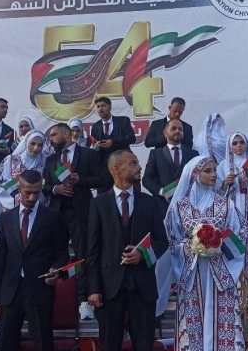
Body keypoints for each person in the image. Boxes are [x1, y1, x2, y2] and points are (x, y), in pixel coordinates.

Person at [86, 150, 167, 351]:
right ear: (116, 168)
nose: (139, 167)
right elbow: (93, 250)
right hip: (109, 289)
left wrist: (143, 254)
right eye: (132, 163)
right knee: (110, 344)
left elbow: (162, 241)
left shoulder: (149, 202)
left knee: (144, 343)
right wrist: (94, 288)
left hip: (143, 287)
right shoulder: (98, 204)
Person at [163, 156, 246, 350]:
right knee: (193, 319)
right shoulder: (180, 207)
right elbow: (171, 239)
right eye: (208, 171)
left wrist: (217, 244)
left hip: (220, 272)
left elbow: (239, 234)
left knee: (223, 318)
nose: (214, 174)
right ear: (194, 174)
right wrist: (193, 245)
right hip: (192, 273)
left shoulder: (225, 204)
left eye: (215, 170)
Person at [0, 170, 69, 351]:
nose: (32, 197)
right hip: (11, 292)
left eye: (36, 192)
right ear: (19, 189)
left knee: (43, 343)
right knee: (7, 344)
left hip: (40, 289)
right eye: (28, 192)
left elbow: (62, 253)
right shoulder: (6, 218)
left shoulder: (53, 218)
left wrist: (56, 269)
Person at [43, 123, 102, 319]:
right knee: (55, 255)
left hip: (81, 213)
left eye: (53, 134)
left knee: (82, 255)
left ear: (66, 134)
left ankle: (84, 300)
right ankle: (56, 299)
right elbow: (45, 186)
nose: (50, 139)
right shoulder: (51, 159)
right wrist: (56, 189)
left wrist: (81, 180)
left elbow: (101, 179)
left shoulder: (87, 154)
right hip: (57, 214)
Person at [217, 132, 248, 318]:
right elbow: (216, 195)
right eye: (235, 143)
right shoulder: (222, 166)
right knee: (233, 256)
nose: (238, 146)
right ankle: (235, 304)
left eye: (241, 143)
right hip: (231, 218)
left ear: (247, 144)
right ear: (230, 147)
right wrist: (225, 184)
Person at [143, 119, 198, 204]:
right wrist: (162, 192)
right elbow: (146, 179)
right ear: (165, 133)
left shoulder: (193, 154)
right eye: (173, 128)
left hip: (188, 204)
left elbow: (198, 178)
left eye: (180, 129)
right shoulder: (156, 154)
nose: (177, 131)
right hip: (162, 205)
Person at [90, 97, 136, 193]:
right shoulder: (95, 127)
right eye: (98, 107)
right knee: (105, 196)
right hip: (104, 168)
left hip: (123, 165)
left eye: (103, 105)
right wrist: (96, 147)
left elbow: (131, 138)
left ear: (110, 107)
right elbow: (94, 148)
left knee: (125, 193)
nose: (100, 109)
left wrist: (113, 142)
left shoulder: (123, 121)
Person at [0, 130, 47, 212]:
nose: (36, 148)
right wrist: (20, 182)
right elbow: (0, 183)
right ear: (26, 142)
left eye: (40, 145)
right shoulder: (10, 160)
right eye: (32, 143)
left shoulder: (46, 162)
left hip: (37, 209)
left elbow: (49, 185)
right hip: (11, 209)